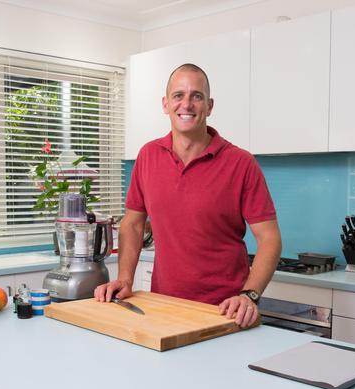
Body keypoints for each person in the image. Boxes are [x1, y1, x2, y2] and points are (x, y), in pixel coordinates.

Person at [94, 63, 281, 328]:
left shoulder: (241, 163)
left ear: (209, 105)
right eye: (178, 95)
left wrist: (248, 295)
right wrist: (125, 279)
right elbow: (133, 223)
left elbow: (270, 239)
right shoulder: (148, 156)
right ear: (165, 103)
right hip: (164, 307)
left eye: (197, 95)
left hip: (226, 311)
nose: (187, 104)